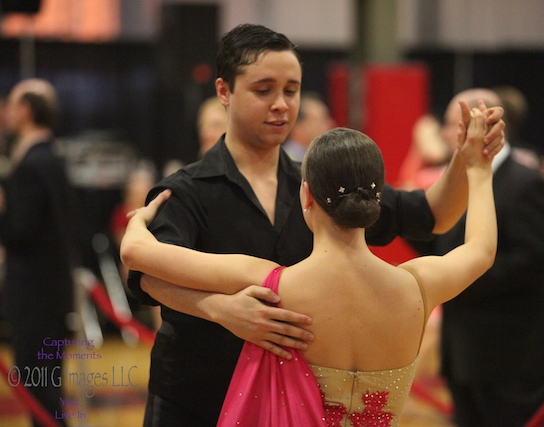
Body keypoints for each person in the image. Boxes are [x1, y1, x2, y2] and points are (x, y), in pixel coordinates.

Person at [126, 23, 505, 425]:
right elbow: (146, 276)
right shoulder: (186, 190)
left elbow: (434, 214)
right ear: (224, 91)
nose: (281, 104)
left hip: (296, 405)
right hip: (195, 396)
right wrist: (220, 309)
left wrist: (463, 160)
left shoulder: (325, 184)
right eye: (263, 90)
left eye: (291, 90)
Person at [429, 88, 544, 427]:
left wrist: (460, 275)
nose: (445, 135)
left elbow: (535, 261)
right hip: (463, 355)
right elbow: (442, 246)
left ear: (485, 127)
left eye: (452, 125)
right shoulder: (454, 182)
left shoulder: (525, 182)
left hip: (513, 357)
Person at [0, 78, 79, 427]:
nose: (6, 113)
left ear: (26, 111)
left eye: (12, 105)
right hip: (53, 293)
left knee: (39, 388)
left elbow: (19, 231)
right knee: (46, 385)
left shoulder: (32, 164)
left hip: (35, 298)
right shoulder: (53, 157)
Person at [281, 91, 335, 161]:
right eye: (322, 120)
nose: (330, 124)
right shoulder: (288, 162)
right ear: (298, 127)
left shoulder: (314, 158)